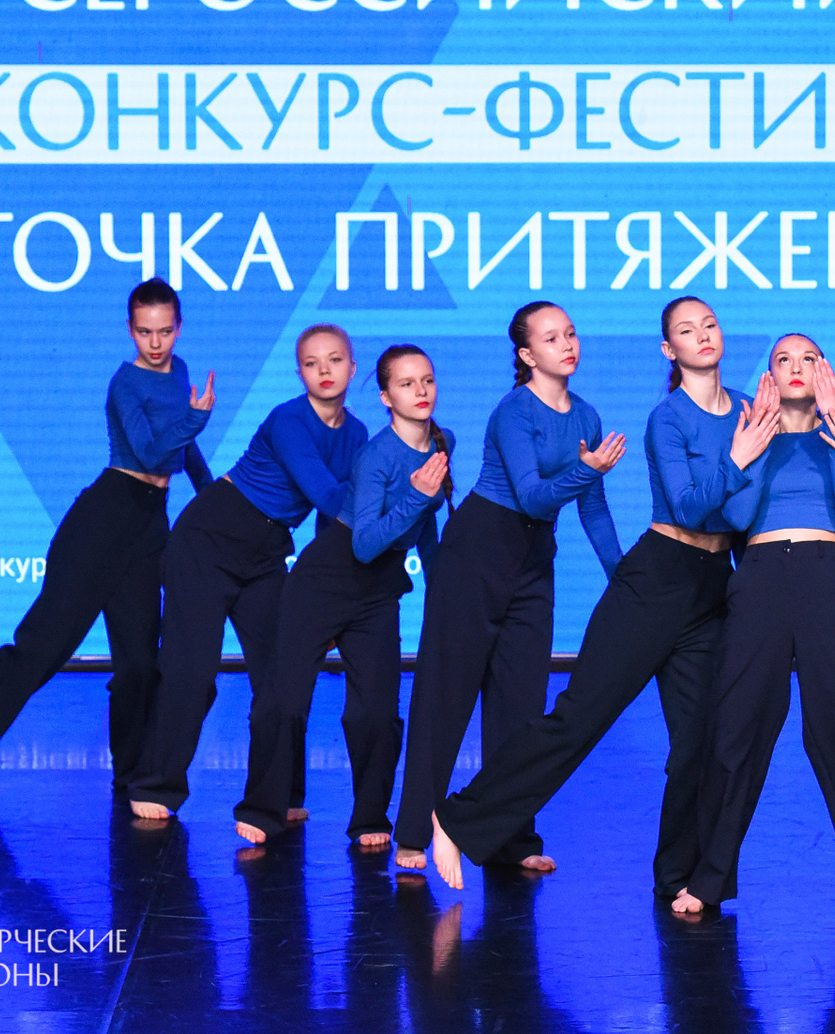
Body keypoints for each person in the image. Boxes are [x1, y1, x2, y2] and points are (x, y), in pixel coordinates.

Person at [413, 298, 780, 893]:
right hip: (660, 573)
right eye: (687, 330)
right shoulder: (667, 418)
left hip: (710, 583)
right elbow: (690, 508)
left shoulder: (745, 409)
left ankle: (678, 876)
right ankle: (459, 819)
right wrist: (633, 584)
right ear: (669, 350)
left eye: (711, 324)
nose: (704, 335)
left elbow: (735, 513)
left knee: (700, 738)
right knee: (579, 720)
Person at [0, 278, 214, 788]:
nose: (155, 343)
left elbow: (181, 448)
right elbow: (151, 453)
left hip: (150, 521)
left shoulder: (182, 373)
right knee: (45, 644)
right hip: (105, 518)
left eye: (165, 331)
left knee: (141, 661)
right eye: (144, 332)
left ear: (179, 327)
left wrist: (209, 494)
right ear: (129, 329)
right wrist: (195, 420)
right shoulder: (125, 384)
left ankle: (133, 774)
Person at [672, 334, 835, 917]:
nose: (796, 367)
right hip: (760, 580)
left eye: (809, 358)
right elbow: (736, 515)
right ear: (770, 376)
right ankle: (709, 879)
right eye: (783, 359)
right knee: (736, 731)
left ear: (824, 372)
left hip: (825, 577)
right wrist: (756, 442)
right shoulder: (750, 432)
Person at [394, 302, 626, 870]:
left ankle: (510, 837)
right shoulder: (513, 412)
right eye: (551, 338)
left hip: (533, 560)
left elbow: (592, 509)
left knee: (521, 707)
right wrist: (588, 469)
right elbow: (533, 496)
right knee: (445, 696)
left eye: (570, 333)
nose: (567, 344)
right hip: (478, 550)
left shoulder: (586, 416)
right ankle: (414, 833)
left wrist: (622, 579)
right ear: (527, 355)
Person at [128, 325, 368, 822]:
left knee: (286, 672)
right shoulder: (289, 420)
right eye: (311, 363)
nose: (324, 370)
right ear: (300, 372)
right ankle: (155, 784)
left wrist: (328, 599)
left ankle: (280, 794)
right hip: (210, 537)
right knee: (193, 673)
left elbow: (331, 526)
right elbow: (328, 497)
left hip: (266, 553)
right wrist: (395, 490)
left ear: (352, 366)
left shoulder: (357, 435)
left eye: (334, 359)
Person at [233, 345, 450, 845]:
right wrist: (417, 496)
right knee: (285, 699)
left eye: (427, 380)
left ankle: (370, 817)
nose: (420, 391)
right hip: (326, 579)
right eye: (406, 384)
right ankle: (263, 807)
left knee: (376, 712)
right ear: (386, 397)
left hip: (379, 589)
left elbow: (426, 524)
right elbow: (364, 543)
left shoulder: (442, 444)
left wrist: (441, 590)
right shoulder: (375, 455)